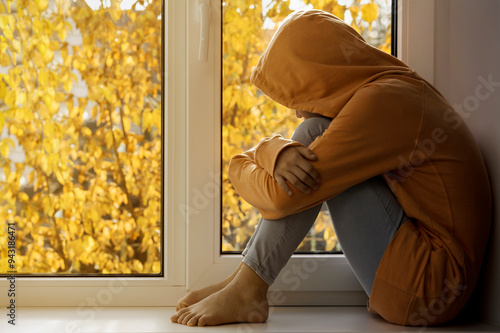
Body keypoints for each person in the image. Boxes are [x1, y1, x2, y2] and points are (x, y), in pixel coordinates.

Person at [170, 10, 491, 327]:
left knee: (312, 134)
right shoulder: (395, 89)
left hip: (428, 288)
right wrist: (271, 150)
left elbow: (281, 198)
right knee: (311, 136)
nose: (296, 111)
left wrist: (248, 159)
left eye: (297, 93)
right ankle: (242, 281)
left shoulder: (384, 102)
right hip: (429, 279)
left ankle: (248, 288)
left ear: (321, 75)